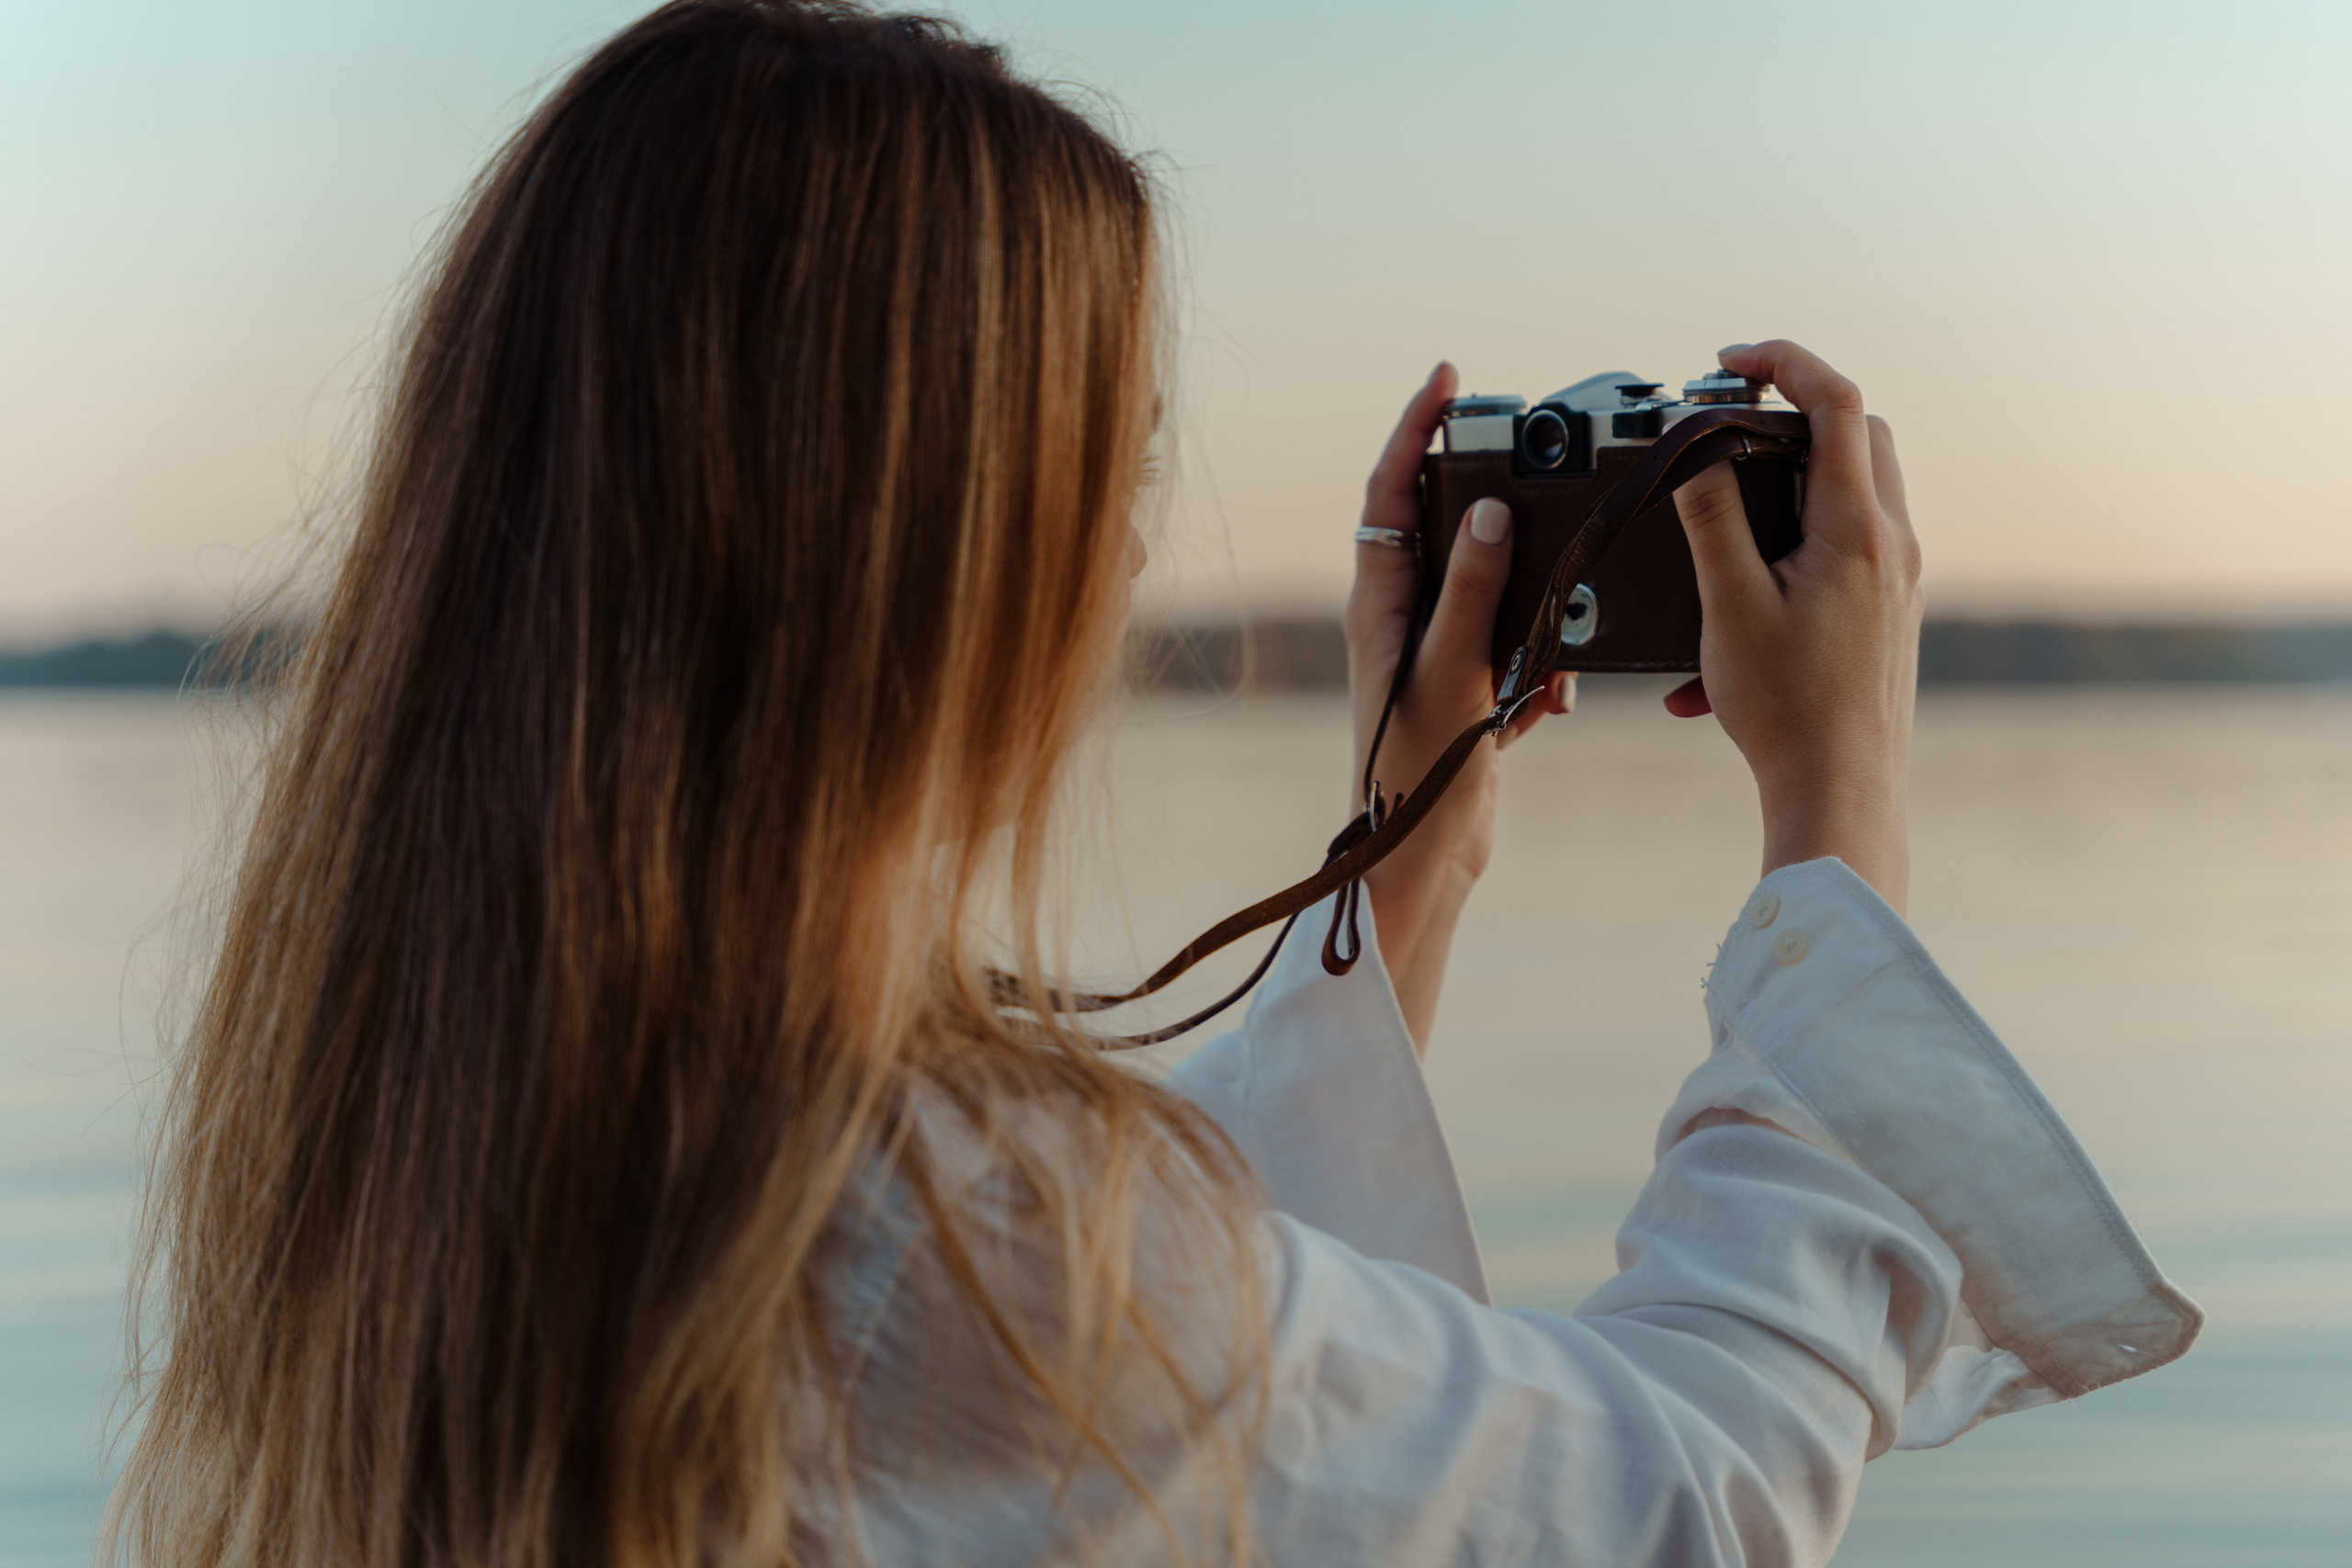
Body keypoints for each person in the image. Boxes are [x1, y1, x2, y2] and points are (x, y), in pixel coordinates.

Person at [107, 4, 2200, 1565]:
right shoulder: (937, 1227)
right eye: (1101, 463)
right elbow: (1685, 1494)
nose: (1120, 552)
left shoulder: (430, 1115)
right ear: (920, 546)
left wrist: (1407, 840)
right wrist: (1839, 816)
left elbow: (1173, 1365)